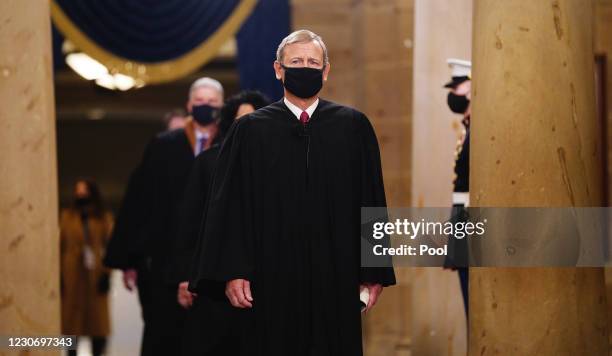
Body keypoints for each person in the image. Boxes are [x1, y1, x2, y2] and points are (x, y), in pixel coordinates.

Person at [188, 30, 396, 356]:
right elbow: (229, 206)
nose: (305, 68)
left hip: (336, 277)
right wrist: (233, 270)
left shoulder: (353, 127)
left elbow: (372, 201)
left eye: (313, 62)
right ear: (278, 69)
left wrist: (373, 272)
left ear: (326, 71)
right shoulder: (250, 131)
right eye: (296, 61)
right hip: (269, 279)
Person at [104, 77, 224, 356]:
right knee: (163, 337)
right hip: (163, 261)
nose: (205, 107)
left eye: (212, 103)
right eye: (199, 102)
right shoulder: (164, 145)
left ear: (221, 106)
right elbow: (138, 201)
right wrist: (129, 259)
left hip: (211, 262)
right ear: (189, 105)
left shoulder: (230, 144)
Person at [165, 90, 270, 355]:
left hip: (268, 284)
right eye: (240, 120)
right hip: (215, 284)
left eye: (255, 119)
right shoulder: (208, 162)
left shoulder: (279, 165)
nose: (247, 126)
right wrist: (185, 277)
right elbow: (189, 226)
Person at [60, 178, 113, 356]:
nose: (80, 194)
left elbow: (110, 246)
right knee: (71, 321)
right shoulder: (67, 217)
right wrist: (58, 275)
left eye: (84, 190)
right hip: (72, 273)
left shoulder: (103, 217)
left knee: (97, 321)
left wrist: (107, 273)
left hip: (95, 274)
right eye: (78, 190)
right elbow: (59, 245)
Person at [442, 58, 471, 316]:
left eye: (458, 87)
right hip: (462, 215)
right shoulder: (468, 127)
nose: (453, 94)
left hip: (471, 217)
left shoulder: (477, 129)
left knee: (473, 298)